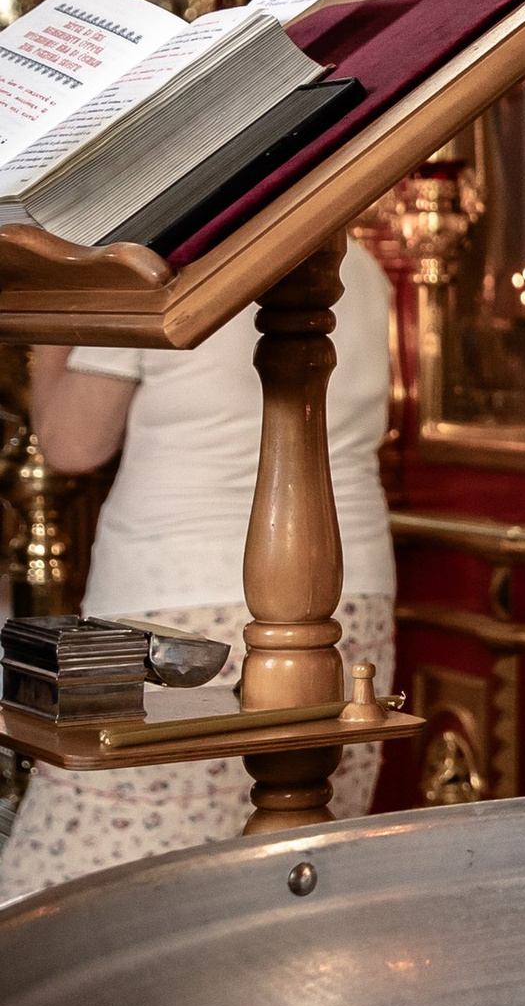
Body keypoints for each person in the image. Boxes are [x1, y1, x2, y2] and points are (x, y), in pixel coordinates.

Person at [1, 238, 400, 898]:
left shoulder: (155, 268)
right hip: (348, 592)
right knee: (286, 875)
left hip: (177, 601)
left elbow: (72, 441)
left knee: (66, 898)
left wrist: (51, 335)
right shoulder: (359, 265)